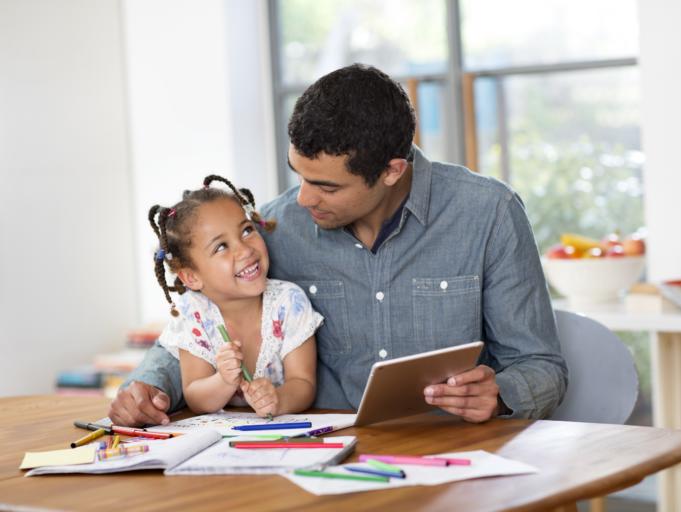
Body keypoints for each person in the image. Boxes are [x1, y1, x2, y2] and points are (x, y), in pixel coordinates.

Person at [109, 64, 567, 427]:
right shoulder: (276, 227)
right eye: (299, 175)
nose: (303, 199)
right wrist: (144, 388)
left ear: (391, 171)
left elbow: (540, 364)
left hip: (454, 452)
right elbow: (200, 321)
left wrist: (502, 394)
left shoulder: (489, 213)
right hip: (317, 456)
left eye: (326, 186)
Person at [113, 175, 323, 422]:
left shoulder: (289, 302)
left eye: (246, 230)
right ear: (191, 277)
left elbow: (303, 383)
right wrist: (223, 380)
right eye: (221, 247)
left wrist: (278, 399)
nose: (245, 250)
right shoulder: (193, 312)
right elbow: (196, 397)